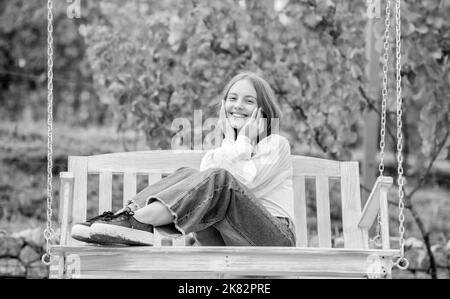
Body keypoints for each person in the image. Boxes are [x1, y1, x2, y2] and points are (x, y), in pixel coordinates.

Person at [71, 72, 296, 247]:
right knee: (189, 174)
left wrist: (244, 139)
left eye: (248, 101)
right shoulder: (216, 155)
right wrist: (232, 141)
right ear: (223, 107)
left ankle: (137, 221)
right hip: (224, 238)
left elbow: (241, 185)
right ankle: (126, 216)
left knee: (219, 178)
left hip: (272, 237)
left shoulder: (275, 145)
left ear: (263, 111)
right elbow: (209, 197)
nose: (237, 105)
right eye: (232, 98)